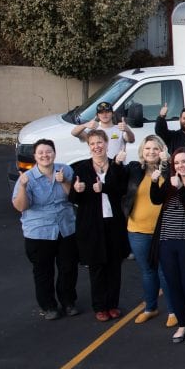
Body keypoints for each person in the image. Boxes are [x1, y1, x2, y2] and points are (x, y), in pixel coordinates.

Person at [12, 139, 79, 320]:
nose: (44, 155)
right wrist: (24, 187)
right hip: (39, 231)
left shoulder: (65, 170)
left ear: (54, 153)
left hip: (66, 228)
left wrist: (64, 181)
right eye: (40, 152)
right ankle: (48, 305)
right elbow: (21, 207)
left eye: (48, 152)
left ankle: (68, 301)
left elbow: (73, 197)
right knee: (43, 271)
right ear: (35, 156)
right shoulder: (27, 178)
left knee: (68, 268)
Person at [149, 147, 185, 344]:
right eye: (176, 163)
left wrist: (180, 188)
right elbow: (156, 199)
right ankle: (182, 325)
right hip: (166, 241)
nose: (180, 166)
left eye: (184, 161)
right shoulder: (171, 182)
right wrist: (154, 181)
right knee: (173, 285)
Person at [69, 129, 130, 322]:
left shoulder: (116, 165)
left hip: (113, 223)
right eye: (93, 144)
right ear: (89, 147)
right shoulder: (82, 169)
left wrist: (104, 188)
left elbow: (122, 190)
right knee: (97, 268)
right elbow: (73, 197)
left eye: (100, 142)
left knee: (114, 266)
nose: (97, 146)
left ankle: (112, 304)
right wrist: (77, 190)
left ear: (106, 143)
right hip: (92, 225)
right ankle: (100, 306)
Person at [123, 135, 177, 327]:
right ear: (142, 151)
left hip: (164, 230)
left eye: (155, 148)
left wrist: (166, 164)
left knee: (165, 271)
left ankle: (173, 311)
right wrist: (114, 164)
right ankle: (150, 308)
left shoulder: (170, 171)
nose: (151, 152)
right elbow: (115, 184)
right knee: (147, 271)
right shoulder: (134, 169)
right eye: (147, 149)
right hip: (137, 229)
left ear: (162, 150)